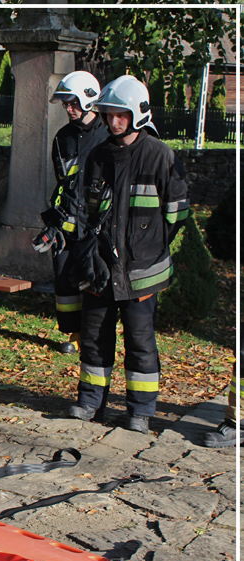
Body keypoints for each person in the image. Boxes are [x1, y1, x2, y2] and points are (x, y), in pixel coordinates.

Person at [67, 75, 189, 433]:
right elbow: (89, 210)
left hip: (142, 272)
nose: (113, 122)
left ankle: (140, 410)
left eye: (120, 115)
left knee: (140, 342)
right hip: (100, 269)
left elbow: (177, 214)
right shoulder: (98, 156)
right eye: (108, 115)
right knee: (93, 338)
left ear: (137, 113)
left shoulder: (160, 156)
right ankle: (90, 401)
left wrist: (147, 248)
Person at [34, 71, 106, 354]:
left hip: (94, 226)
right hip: (66, 226)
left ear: (88, 99)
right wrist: (54, 223)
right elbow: (63, 184)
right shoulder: (61, 138)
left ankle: (92, 333)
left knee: (93, 279)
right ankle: (72, 332)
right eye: (65, 104)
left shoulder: (106, 137)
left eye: (72, 102)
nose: (68, 108)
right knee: (64, 282)